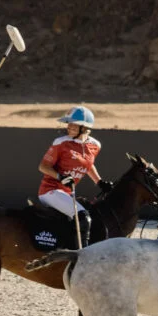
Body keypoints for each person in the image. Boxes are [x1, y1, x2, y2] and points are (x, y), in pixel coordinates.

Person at [36, 105, 113, 248]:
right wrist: (61, 177)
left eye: (73, 125)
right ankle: (81, 254)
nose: (68, 127)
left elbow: (88, 165)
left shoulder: (95, 145)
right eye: (68, 124)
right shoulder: (61, 142)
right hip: (50, 190)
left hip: (68, 193)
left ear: (84, 128)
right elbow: (43, 167)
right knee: (82, 216)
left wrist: (99, 182)